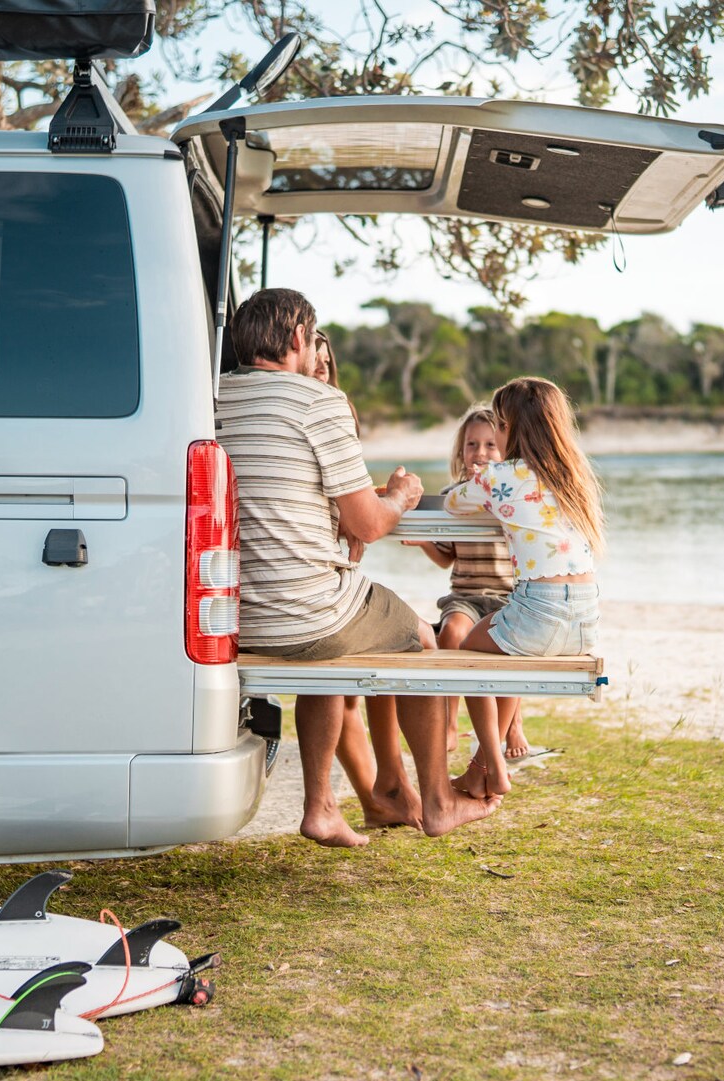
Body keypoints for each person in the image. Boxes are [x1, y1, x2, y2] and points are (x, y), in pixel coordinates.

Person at [217, 288, 501, 846]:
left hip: (234, 618)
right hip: (307, 615)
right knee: (421, 638)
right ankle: (435, 800)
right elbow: (368, 525)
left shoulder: (213, 397)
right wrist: (402, 495)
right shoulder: (317, 402)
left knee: (334, 634)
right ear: (299, 338)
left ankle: (325, 807)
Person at [442, 377, 605, 799]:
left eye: (497, 423)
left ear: (510, 428)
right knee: (499, 646)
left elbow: (451, 504)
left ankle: (493, 761)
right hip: (588, 620)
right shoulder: (574, 477)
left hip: (540, 613)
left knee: (469, 653)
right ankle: (481, 770)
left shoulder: (501, 476)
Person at [307, 330, 417, 831]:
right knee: (346, 679)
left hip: (330, 565)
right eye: (313, 360)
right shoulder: (317, 409)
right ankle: (383, 791)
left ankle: (377, 797)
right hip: (317, 574)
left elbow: (339, 491)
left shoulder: (335, 407)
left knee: (344, 688)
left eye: (327, 364)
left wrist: (364, 508)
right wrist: (379, 508)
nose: (320, 371)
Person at [411, 405, 532, 772]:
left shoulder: (512, 495)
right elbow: (446, 557)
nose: (480, 453)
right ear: (460, 452)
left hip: (503, 598)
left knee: (508, 649)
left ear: (507, 450)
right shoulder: (452, 495)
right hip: (464, 596)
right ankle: (450, 723)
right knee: (452, 634)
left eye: (491, 445)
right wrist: (422, 541)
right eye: (472, 445)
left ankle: (513, 724)